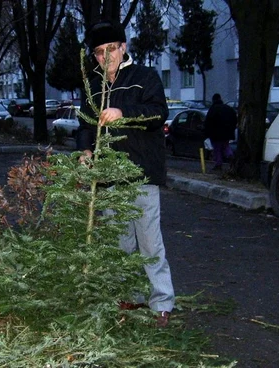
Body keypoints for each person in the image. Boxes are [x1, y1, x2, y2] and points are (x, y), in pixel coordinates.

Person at [76, 19, 175, 328]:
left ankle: (162, 302)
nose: (106, 57)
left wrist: (123, 113)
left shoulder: (144, 77)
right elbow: (85, 125)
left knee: (149, 241)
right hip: (108, 177)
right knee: (119, 243)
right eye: (99, 53)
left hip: (141, 174)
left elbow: (159, 113)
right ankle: (127, 295)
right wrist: (86, 150)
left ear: (123, 47)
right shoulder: (95, 86)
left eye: (111, 50)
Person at [204, 93, 237, 170]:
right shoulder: (228, 108)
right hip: (227, 133)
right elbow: (235, 119)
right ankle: (230, 155)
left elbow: (208, 122)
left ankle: (218, 164)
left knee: (217, 149)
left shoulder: (213, 109)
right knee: (226, 146)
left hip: (216, 134)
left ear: (213, 100)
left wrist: (207, 132)